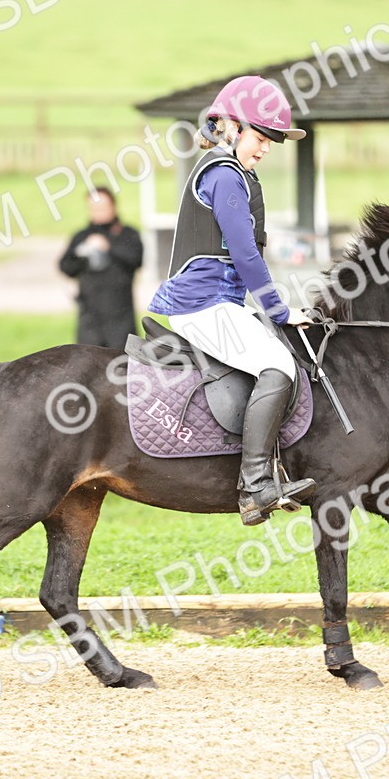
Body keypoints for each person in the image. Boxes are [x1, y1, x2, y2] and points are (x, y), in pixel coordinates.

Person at [147, 75, 316, 527]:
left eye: (269, 142)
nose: (264, 149)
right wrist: (278, 311)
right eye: (260, 137)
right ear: (231, 128)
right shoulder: (223, 175)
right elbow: (244, 254)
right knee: (278, 366)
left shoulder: (235, 173)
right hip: (199, 304)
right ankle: (256, 485)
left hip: (221, 302)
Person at [59, 187, 143, 349]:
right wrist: (82, 253)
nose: (98, 212)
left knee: (121, 367)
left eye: (103, 207)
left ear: (113, 206)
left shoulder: (127, 234)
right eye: (94, 208)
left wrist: (108, 247)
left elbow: (136, 259)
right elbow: (66, 267)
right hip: (90, 319)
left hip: (120, 317)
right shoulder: (82, 236)